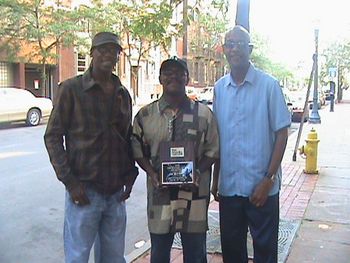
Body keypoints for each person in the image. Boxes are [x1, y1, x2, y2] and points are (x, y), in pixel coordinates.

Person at [44, 32, 138, 263]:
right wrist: (70, 182)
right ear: (91, 53)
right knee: (77, 257)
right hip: (84, 192)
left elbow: (126, 138)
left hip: (115, 193)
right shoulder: (71, 89)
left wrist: (130, 174)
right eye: (102, 49)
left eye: (113, 51)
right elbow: (53, 137)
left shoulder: (122, 94)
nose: (108, 54)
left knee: (114, 258)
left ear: (118, 57)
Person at [211, 26, 291, 263]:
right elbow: (218, 138)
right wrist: (216, 180)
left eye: (239, 44)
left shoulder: (269, 86)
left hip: (262, 189)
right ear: (224, 49)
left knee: (265, 253)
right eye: (229, 44)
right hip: (230, 188)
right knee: (232, 252)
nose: (234, 49)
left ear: (250, 49)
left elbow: (282, 134)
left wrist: (268, 180)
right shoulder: (219, 89)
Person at [131, 57, 219, 263]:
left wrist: (197, 172)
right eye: (168, 73)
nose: (174, 77)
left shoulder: (204, 115)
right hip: (160, 196)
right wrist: (152, 174)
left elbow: (213, 150)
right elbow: (136, 148)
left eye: (179, 73)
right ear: (160, 78)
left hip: (195, 197)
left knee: (196, 254)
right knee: (160, 254)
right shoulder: (145, 115)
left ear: (187, 78)